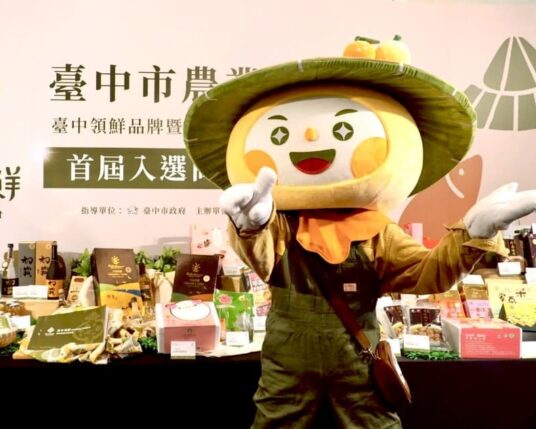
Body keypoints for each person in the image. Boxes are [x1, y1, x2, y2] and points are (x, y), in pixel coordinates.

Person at [183, 38, 536, 428]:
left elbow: (427, 273)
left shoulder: (378, 233)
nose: (312, 139)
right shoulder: (281, 224)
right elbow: (263, 255)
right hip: (287, 363)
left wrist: (473, 232)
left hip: (359, 362)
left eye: (342, 129)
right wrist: (253, 224)